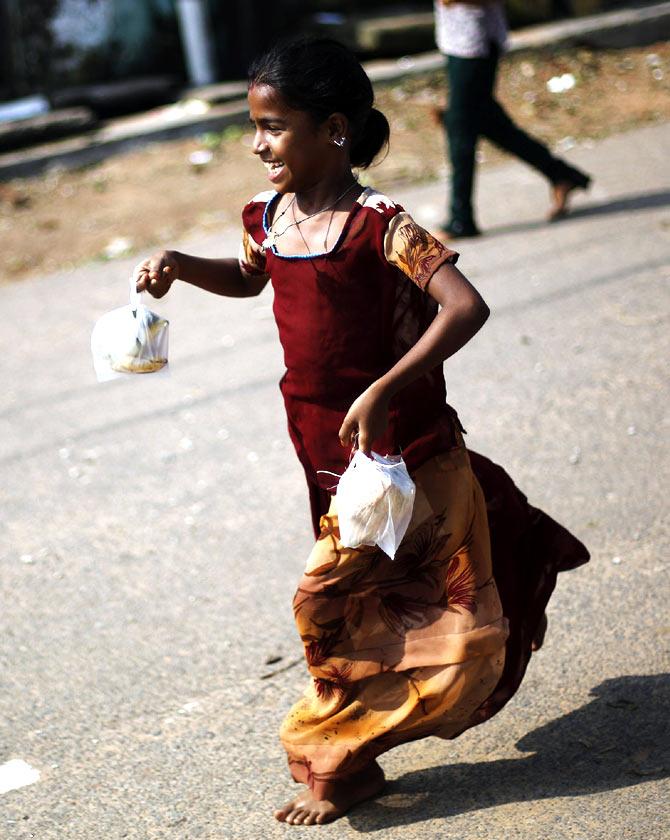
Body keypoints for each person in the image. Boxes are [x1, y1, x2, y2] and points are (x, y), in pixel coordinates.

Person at [133, 36, 589, 825]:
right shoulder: (267, 217)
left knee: (330, 604)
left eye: (274, 127)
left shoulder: (378, 224)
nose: (257, 144)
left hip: (404, 451)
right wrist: (180, 264)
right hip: (323, 451)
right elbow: (251, 277)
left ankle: (340, 754)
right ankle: (358, 757)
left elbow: (465, 306)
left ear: (334, 130)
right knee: (364, 607)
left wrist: (383, 389)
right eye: (255, 126)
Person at [434, 0, 591, 238]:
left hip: (475, 43)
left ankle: (461, 218)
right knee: (490, 124)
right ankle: (561, 174)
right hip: (457, 39)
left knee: (460, 128)